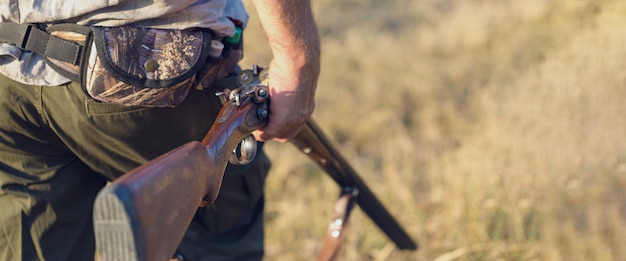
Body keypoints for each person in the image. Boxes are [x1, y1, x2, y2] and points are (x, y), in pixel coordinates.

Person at [0, 0, 320, 260]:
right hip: (141, 83)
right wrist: (297, 57)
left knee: (32, 238)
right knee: (222, 229)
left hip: (10, 69)